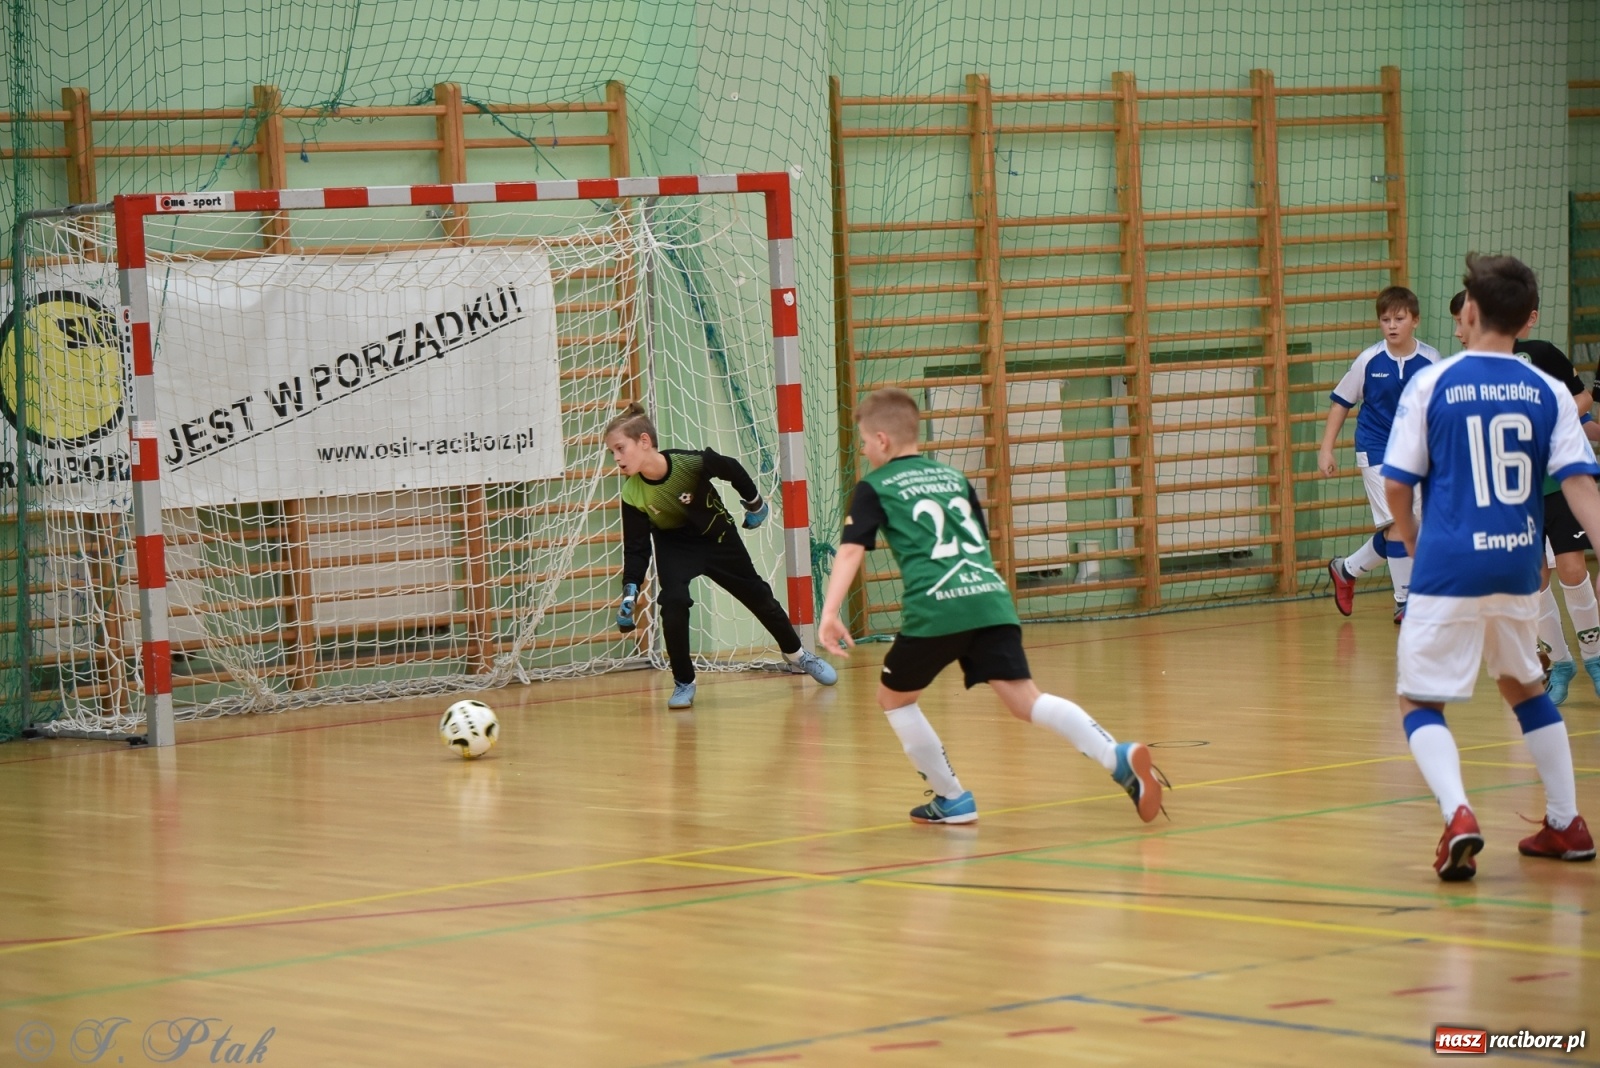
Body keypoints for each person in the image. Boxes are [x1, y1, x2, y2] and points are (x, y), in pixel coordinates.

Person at [815, 387, 1164, 826]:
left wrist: (829, 613)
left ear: (882, 440)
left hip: (936, 607)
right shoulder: (954, 479)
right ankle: (1116, 756)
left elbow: (850, 551)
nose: (865, 452)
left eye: (865, 442)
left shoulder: (875, 487)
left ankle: (952, 798)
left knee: (895, 699)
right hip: (990, 599)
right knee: (1026, 701)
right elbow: (976, 544)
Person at [1382, 254, 1597, 881]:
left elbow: (1398, 485)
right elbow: (1582, 486)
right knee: (1522, 684)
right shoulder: (1548, 390)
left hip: (1449, 562)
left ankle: (1459, 815)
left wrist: (1415, 540)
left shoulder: (1434, 383)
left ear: (1469, 311)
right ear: (1524, 317)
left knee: (1419, 700)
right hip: (1518, 563)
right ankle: (1566, 822)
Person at [604, 402, 837, 708]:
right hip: (675, 548)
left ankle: (798, 655)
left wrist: (755, 504)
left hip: (719, 539)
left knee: (759, 597)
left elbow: (731, 468)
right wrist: (630, 590)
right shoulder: (632, 493)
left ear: (644, 442)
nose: (616, 458)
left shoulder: (689, 464)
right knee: (673, 604)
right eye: (612, 453)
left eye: (620, 448)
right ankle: (683, 682)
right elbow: (637, 547)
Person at [1450, 290, 1598, 705]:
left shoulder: (1538, 354)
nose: (1461, 331)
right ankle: (1562, 663)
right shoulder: (1462, 375)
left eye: (1467, 320)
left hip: (1558, 483)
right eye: (1459, 324)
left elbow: (1584, 398)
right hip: (1511, 494)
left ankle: (1595, 657)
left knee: (1572, 569)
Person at [1320, 286, 1440, 624]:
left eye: (1399, 319)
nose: (1391, 325)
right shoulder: (1368, 360)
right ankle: (1405, 601)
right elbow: (1341, 402)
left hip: (1417, 454)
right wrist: (1326, 448)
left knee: (1409, 527)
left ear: (1414, 321)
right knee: (1401, 526)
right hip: (1376, 449)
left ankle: (1347, 569)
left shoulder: (1432, 361)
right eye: (1385, 319)